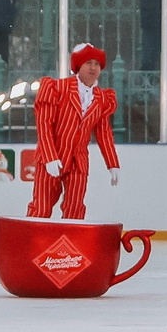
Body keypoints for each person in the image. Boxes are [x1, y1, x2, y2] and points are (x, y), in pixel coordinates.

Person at [28, 43, 120, 219]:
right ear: (78, 66)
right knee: (41, 207)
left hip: (78, 161)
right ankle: (34, 244)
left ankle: (70, 244)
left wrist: (112, 162)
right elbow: (44, 124)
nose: (93, 68)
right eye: (88, 63)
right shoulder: (57, 88)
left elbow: (103, 131)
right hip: (53, 155)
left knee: (75, 208)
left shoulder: (102, 97)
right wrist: (49, 157)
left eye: (97, 64)